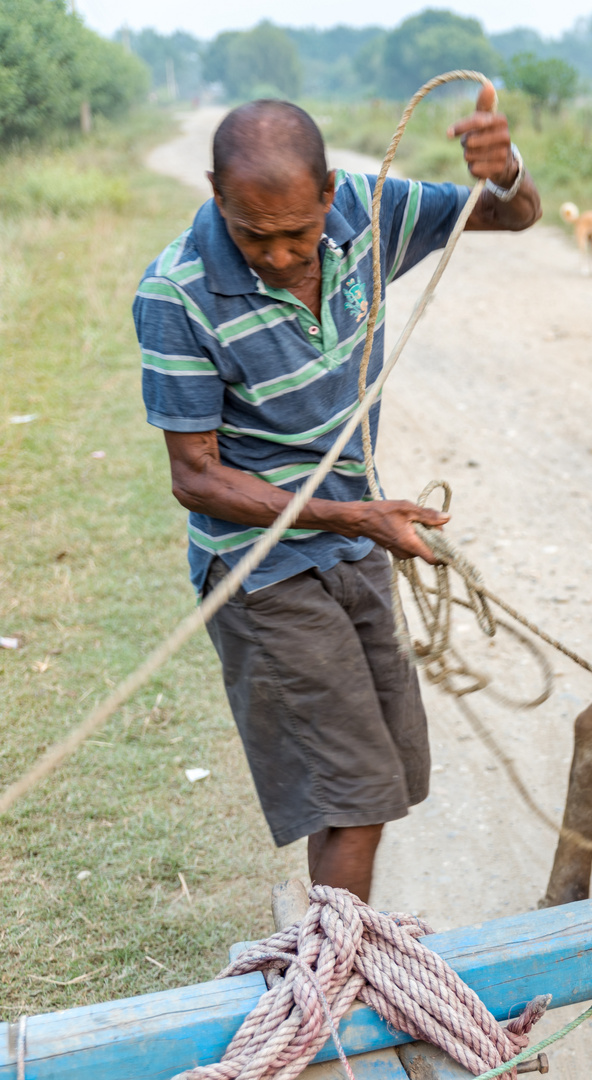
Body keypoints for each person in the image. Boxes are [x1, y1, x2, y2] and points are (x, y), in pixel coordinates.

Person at [131, 86, 540, 902]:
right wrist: (352, 512)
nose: (280, 257)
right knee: (353, 793)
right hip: (262, 571)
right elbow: (196, 478)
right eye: (254, 236)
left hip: (356, 546)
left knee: (383, 775)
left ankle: (331, 937)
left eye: (299, 234)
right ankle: (332, 975)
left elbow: (512, 216)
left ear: (330, 193)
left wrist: (506, 173)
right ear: (215, 195)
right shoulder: (175, 295)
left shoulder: (368, 210)